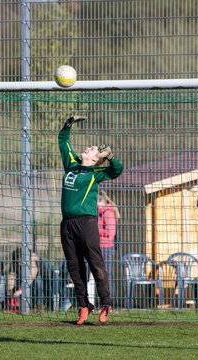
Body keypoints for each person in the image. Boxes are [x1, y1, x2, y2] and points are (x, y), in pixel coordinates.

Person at [58, 115, 123, 324]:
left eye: (93, 149)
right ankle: (84, 306)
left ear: (96, 159)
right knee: (74, 267)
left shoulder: (96, 172)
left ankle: (106, 304)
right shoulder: (72, 165)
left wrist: (111, 157)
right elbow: (63, 141)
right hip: (67, 224)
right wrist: (68, 123)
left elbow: (116, 170)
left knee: (96, 265)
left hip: (86, 224)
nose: (88, 148)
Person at [97, 190, 120, 303]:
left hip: (106, 247)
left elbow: (111, 234)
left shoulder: (107, 212)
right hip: (98, 246)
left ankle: (110, 302)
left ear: (101, 200)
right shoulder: (99, 212)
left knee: (106, 274)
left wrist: (96, 233)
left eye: (96, 201)